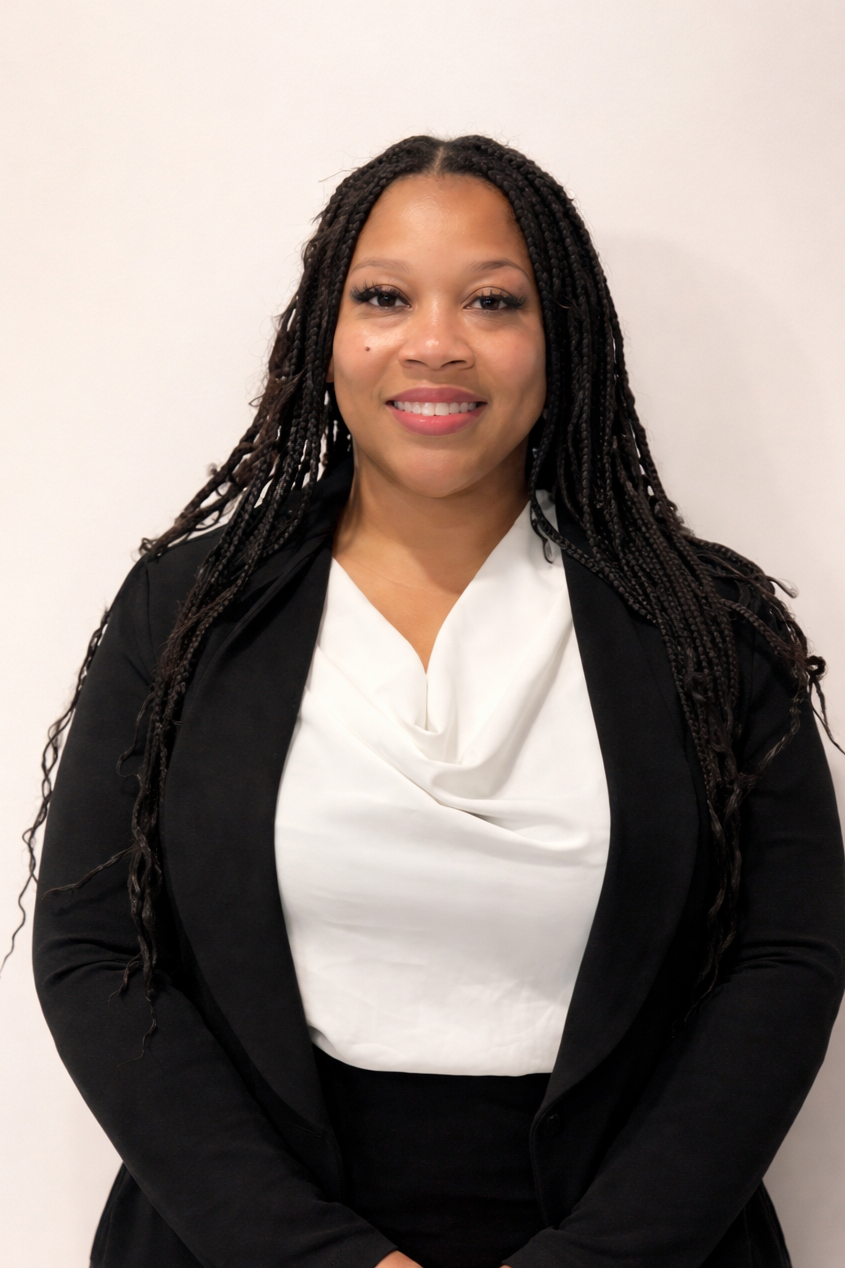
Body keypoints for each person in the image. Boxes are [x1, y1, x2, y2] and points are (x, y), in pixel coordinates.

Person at [29, 135, 844, 1268]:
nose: (432, 343)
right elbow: (94, 947)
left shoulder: (706, 627)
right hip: (240, 1242)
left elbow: (784, 956)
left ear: (560, 337)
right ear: (326, 331)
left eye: (493, 300)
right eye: (383, 296)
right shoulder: (188, 609)